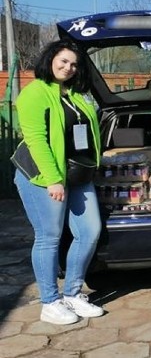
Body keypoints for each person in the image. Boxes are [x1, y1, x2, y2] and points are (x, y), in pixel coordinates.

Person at [12, 40, 104, 325]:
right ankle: (50, 302)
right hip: (43, 177)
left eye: (74, 64)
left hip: (77, 174)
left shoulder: (75, 94)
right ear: (51, 58)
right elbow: (37, 140)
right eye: (63, 61)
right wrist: (53, 180)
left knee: (90, 231)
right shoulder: (35, 92)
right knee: (49, 237)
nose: (68, 67)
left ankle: (73, 293)